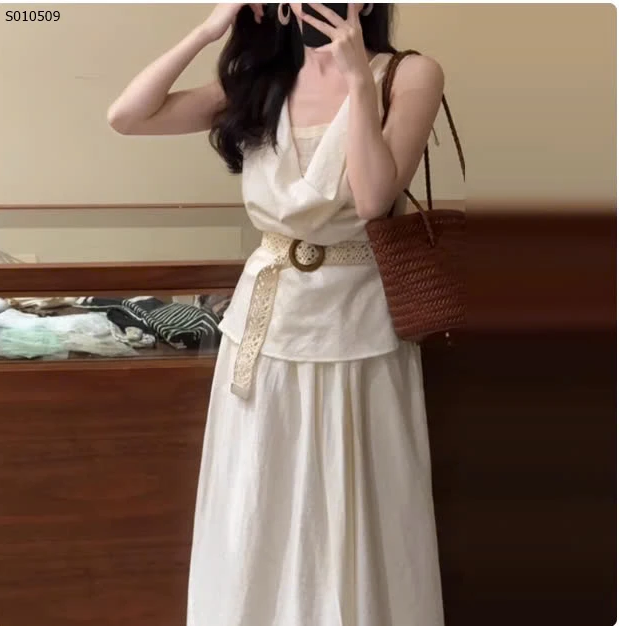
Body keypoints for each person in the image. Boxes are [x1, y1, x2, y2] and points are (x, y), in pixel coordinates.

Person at [108, 3, 446, 625]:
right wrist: (211, 29)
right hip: (263, 329)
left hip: (358, 327)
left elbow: (374, 198)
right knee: (257, 496)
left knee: (357, 500)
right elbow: (127, 116)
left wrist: (357, 81)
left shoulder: (409, 74)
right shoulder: (262, 79)